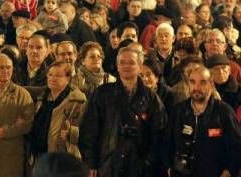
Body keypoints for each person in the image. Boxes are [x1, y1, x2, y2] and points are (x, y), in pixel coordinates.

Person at [79, 46, 167, 177]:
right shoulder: (102, 93)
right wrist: (91, 163)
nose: (126, 66)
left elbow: (159, 132)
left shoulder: (150, 97)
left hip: (140, 165)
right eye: (122, 62)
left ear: (139, 65)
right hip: (108, 163)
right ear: (117, 66)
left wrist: (149, 161)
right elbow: (89, 130)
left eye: (131, 62)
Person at [165, 66, 241, 177]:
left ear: (211, 84)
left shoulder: (224, 112)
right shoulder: (178, 111)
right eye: (192, 82)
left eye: (202, 82)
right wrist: (169, 167)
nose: (197, 87)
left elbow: (236, 147)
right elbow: (167, 143)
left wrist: (228, 171)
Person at [30, 61, 87, 167]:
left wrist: (71, 132)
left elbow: (86, 130)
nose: (52, 78)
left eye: (58, 75)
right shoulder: (41, 98)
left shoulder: (77, 101)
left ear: (68, 78)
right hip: (39, 156)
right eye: (50, 75)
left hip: (63, 158)